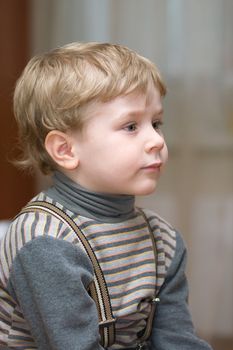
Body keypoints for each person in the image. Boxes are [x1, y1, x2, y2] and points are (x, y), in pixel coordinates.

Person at [0, 42, 212, 350]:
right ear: (65, 150)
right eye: (130, 126)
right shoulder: (45, 241)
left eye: (156, 123)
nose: (155, 140)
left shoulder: (163, 240)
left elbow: (176, 339)